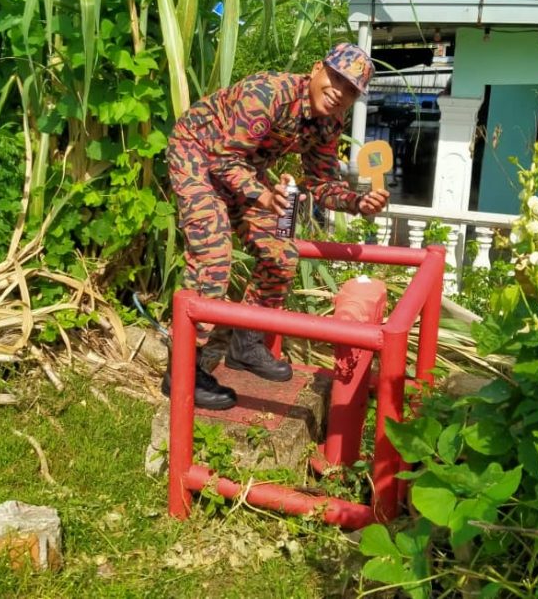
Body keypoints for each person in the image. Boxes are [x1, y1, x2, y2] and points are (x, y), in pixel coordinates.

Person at [163, 43, 390, 410]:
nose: (338, 93)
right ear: (317, 69)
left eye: (350, 90)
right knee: (213, 257)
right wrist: (264, 196)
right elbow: (223, 159)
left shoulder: (329, 122)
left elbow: (321, 184)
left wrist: (357, 202)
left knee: (280, 254)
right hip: (198, 154)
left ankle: (245, 345)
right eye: (335, 78)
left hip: (242, 170)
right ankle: (182, 370)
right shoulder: (268, 93)